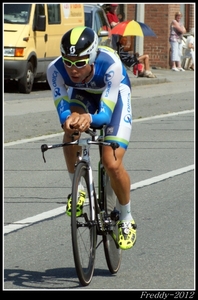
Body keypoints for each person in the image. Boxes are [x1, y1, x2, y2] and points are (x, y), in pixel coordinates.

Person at [47, 26, 137, 251]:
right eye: (68, 61)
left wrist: (89, 117)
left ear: (93, 57)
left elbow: (105, 115)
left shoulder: (111, 65)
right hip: (83, 95)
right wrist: (70, 119)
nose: (73, 69)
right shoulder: (55, 70)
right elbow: (63, 109)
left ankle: (126, 217)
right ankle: (77, 190)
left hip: (114, 95)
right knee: (71, 130)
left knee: (111, 163)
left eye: (79, 63)